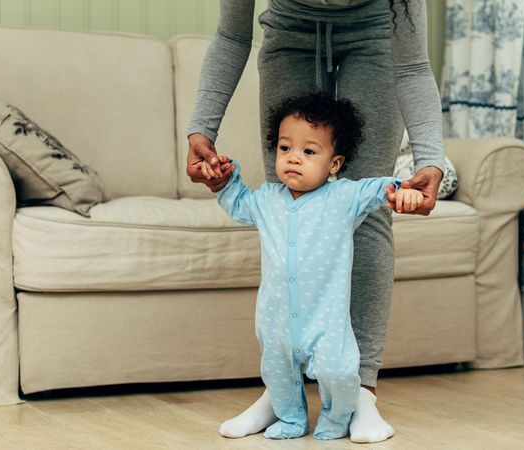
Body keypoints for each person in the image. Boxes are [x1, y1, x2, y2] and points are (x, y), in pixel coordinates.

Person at [187, 0, 444, 443]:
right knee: (287, 205)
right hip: (290, 37)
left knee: (368, 210)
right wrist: (201, 130)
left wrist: (430, 158)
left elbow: (413, 65)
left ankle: (361, 390)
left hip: (375, 36)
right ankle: (280, 391)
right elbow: (232, 35)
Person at [202, 92, 424, 440]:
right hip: (275, 318)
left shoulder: (343, 197)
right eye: (285, 148)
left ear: (334, 164)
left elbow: (380, 188)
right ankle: (290, 419)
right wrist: (223, 179)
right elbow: (237, 201)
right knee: (277, 371)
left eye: (309, 152)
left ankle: (337, 420)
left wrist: (401, 191)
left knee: (339, 370)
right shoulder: (265, 200)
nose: (294, 159)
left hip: (326, 318)